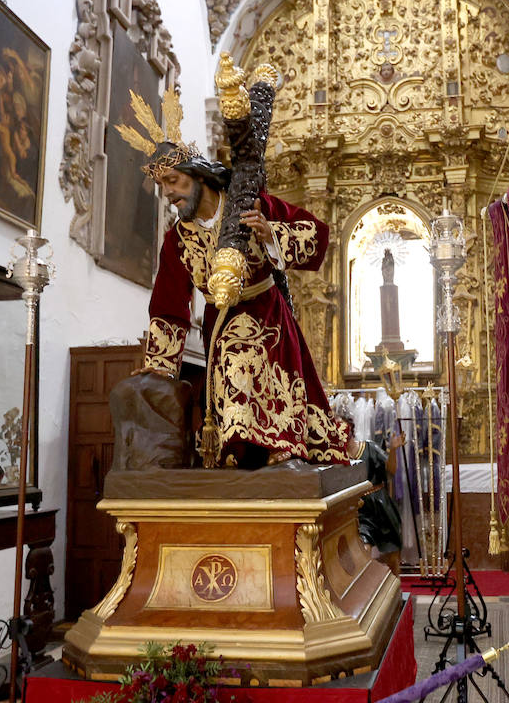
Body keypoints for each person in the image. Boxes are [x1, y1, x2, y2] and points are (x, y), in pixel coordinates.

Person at [137, 140, 356, 467]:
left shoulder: (249, 204)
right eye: (161, 185)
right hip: (219, 320)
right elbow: (169, 304)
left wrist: (271, 234)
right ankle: (237, 450)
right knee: (231, 354)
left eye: (173, 180)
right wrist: (160, 363)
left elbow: (316, 234)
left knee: (245, 355)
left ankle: (280, 441)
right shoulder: (177, 239)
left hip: (267, 313)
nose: (168, 192)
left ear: (197, 175)